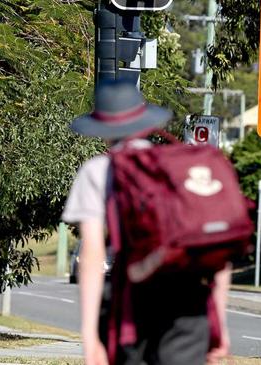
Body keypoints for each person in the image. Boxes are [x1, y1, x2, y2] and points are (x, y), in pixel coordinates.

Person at [62, 80, 231, 365]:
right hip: (188, 307)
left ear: (102, 129)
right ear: (145, 122)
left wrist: (90, 337)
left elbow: (92, 256)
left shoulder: (97, 171)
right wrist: (219, 326)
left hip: (129, 306)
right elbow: (215, 249)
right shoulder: (183, 169)